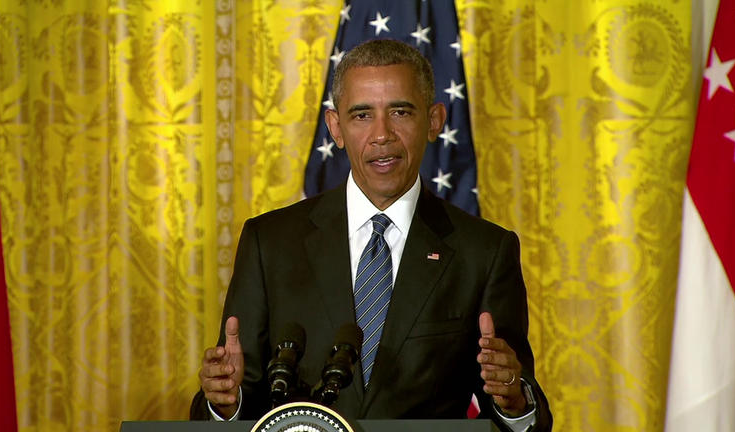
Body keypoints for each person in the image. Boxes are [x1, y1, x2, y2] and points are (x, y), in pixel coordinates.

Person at [190, 39, 552, 431]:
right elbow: (236, 402)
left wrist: (514, 399)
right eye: (362, 115)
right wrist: (225, 401)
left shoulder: (484, 252)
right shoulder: (270, 243)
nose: (382, 134)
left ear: (434, 121)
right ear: (336, 127)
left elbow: (521, 410)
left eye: (400, 111)